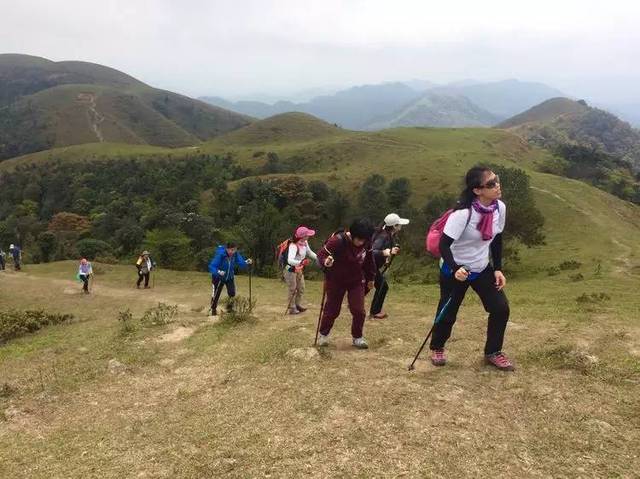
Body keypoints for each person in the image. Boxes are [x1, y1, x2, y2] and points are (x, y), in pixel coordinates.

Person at [430, 166, 513, 371]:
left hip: (482, 267)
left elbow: (496, 238)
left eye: (497, 180)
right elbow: (443, 245)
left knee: (500, 308)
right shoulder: (462, 214)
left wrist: (497, 268)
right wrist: (455, 268)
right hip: (455, 269)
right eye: (491, 184)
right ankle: (437, 347)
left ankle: (493, 351)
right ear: (477, 190)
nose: (497, 186)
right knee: (448, 311)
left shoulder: (499, 208)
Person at [316, 218, 377, 349]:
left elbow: (369, 261)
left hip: (356, 280)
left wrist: (371, 278)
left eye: (364, 240)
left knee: (359, 310)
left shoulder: (366, 242)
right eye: (359, 239)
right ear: (352, 234)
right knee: (332, 310)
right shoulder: (337, 240)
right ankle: (323, 335)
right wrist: (326, 261)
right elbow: (320, 255)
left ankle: (357, 337)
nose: (361, 243)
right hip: (336, 280)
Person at [369, 213, 410, 319]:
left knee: (374, 286)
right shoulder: (384, 236)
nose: (401, 226)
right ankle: (375, 311)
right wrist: (385, 253)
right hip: (370, 266)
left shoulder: (387, 234)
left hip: (372, 266)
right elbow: (372, 251)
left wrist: (387, 257)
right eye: (399, 224)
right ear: (394, 226)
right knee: (382, 286)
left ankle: (372, 310)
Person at [208, 242, 253, 315]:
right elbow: (211, 266)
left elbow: (240, 262)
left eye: (234, 250)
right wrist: (218, 272)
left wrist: (246, 262)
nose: (233, 252)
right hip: (218, 277)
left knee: (232, 293)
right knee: (216, 294)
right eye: (231, 250)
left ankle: (229, 308)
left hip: (229, 276)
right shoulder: (221, 255)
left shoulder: (235, 254)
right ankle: (213, 309)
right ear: (227, 249)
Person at [284, 226, 318, 315]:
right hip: (290, 270)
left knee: (301, 288)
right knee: (293, 289)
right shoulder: (293, 245)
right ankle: (292, 308)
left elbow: (309, 252)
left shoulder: (305, 242)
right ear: (302, 236)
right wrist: (302, 262)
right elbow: (290, 260)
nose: (309, 236)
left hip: (299, 269)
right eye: (307, 235)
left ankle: (297, 304)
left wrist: (319, 258)